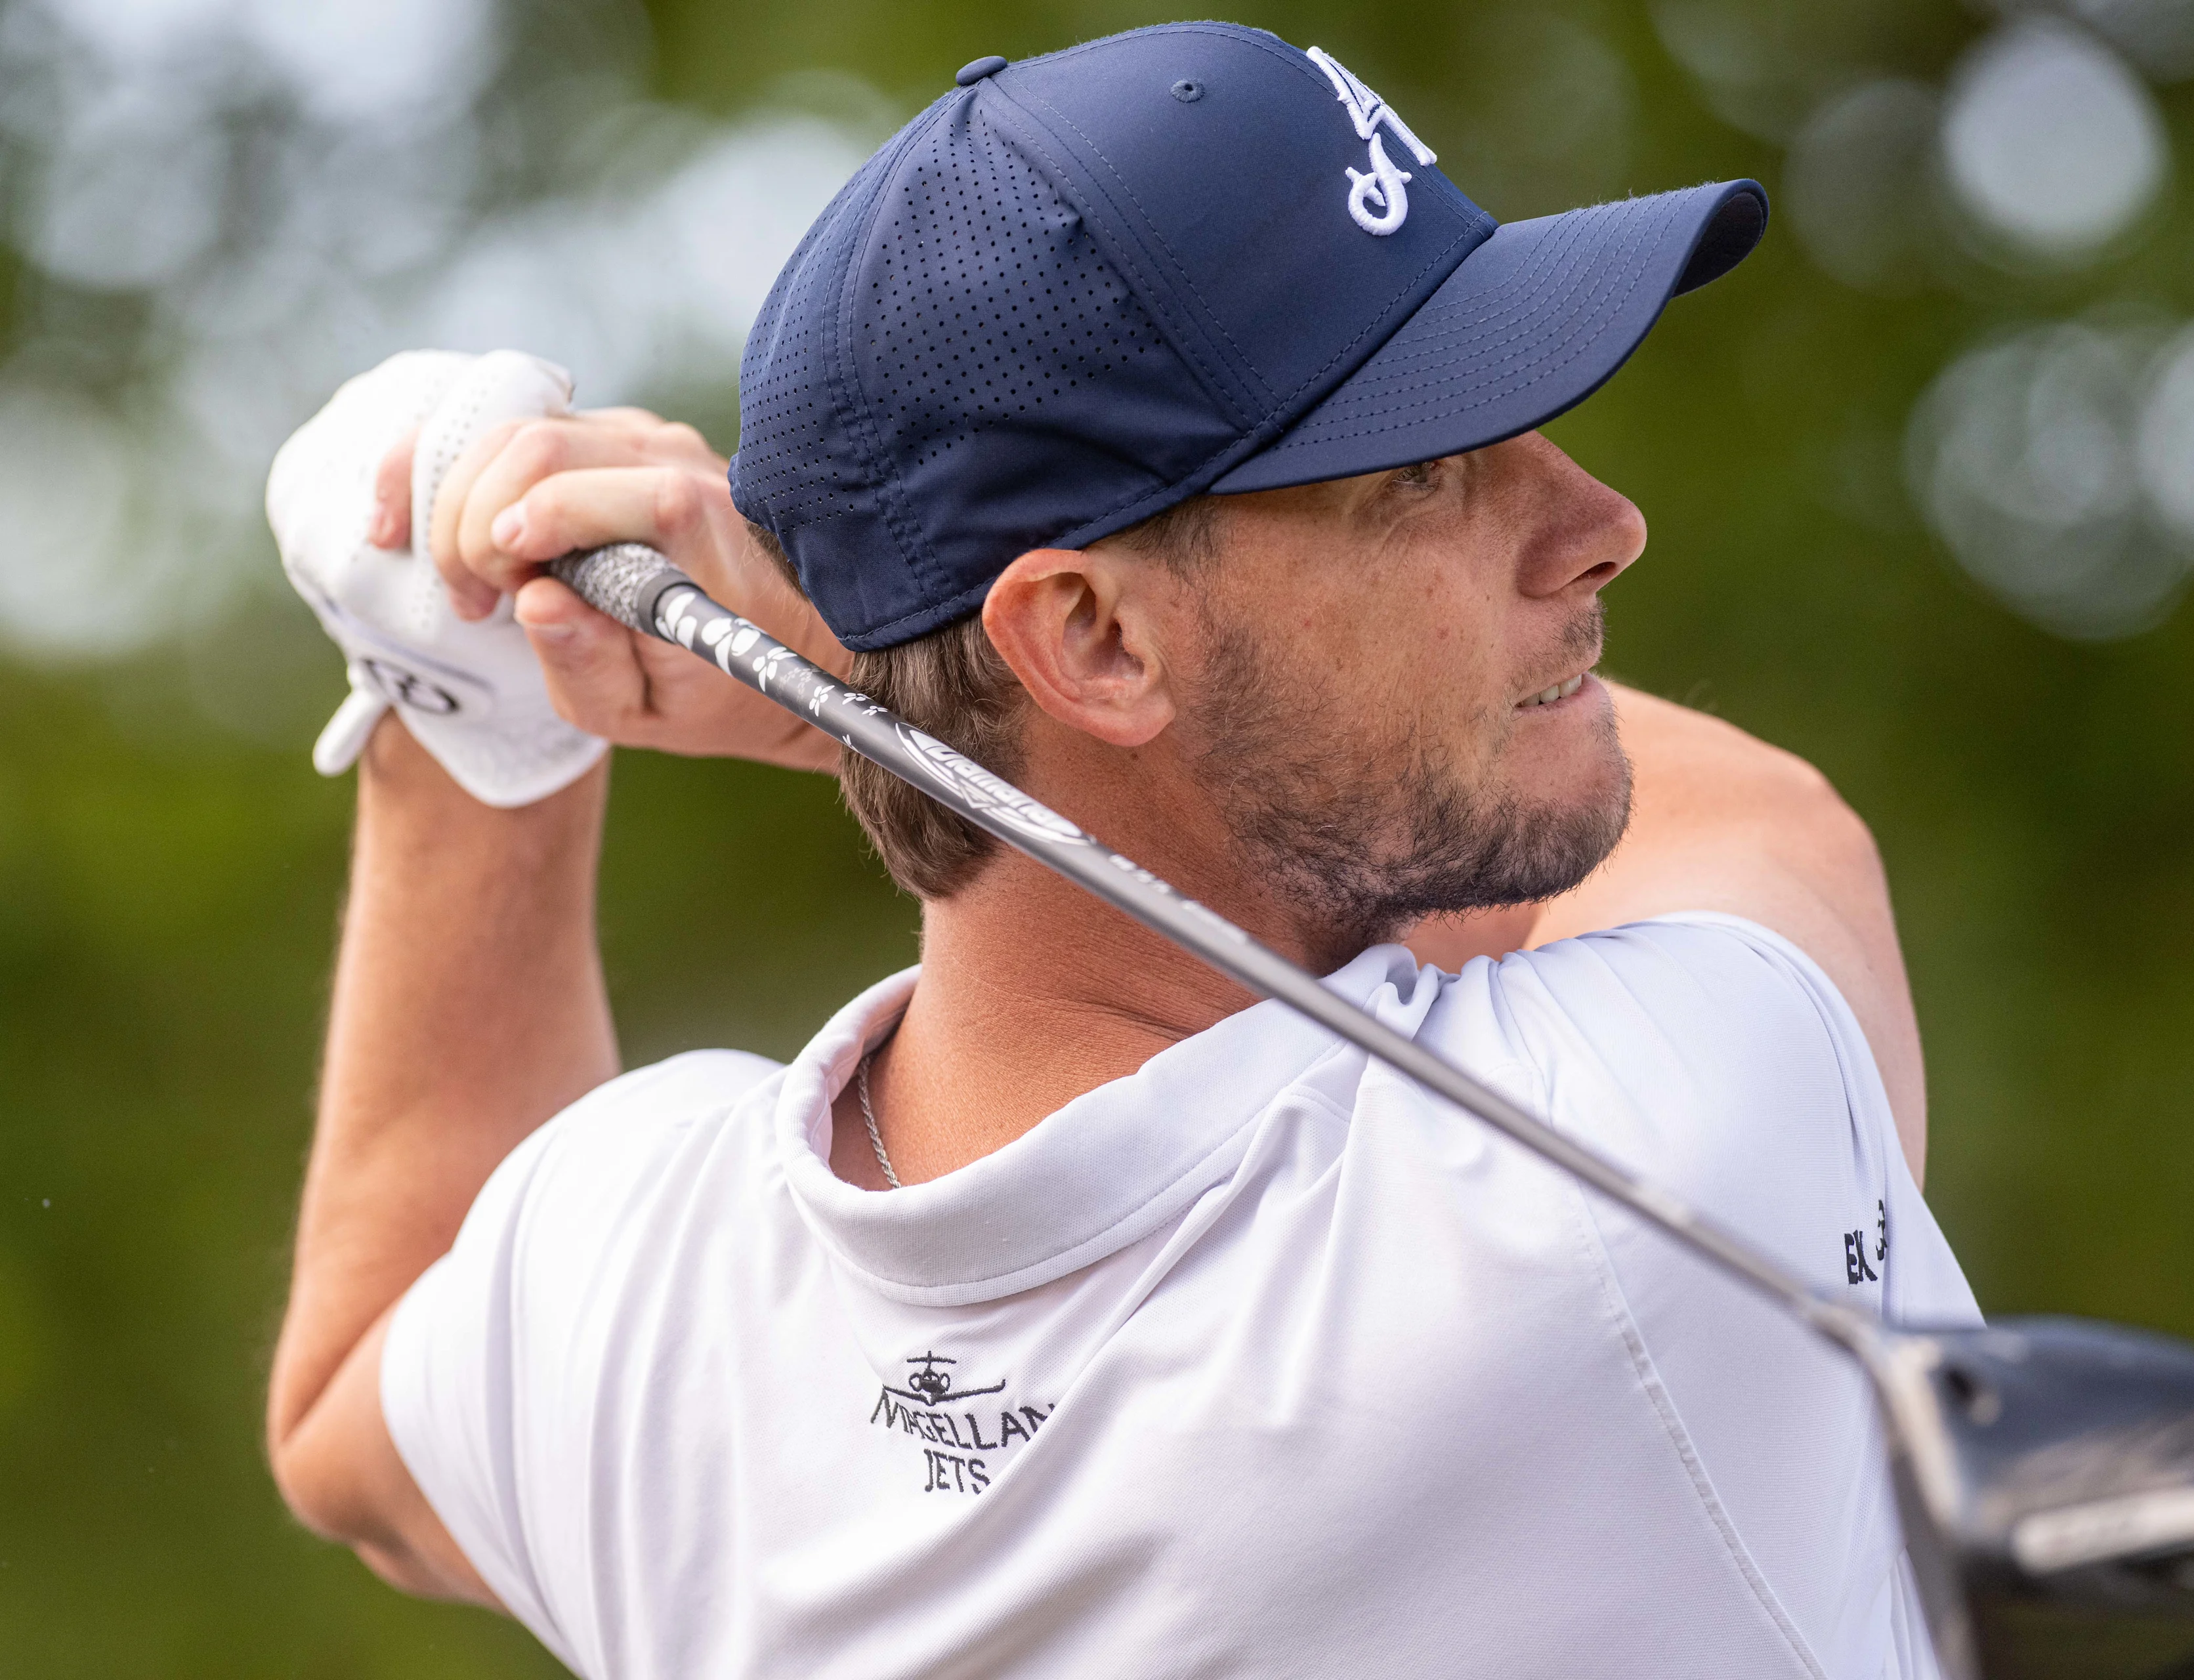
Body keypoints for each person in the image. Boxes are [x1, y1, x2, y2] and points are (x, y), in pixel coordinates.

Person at [263, 24, 1977, 1679]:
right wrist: (838, 667)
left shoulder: (631, 1310)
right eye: (1431, 473)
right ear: (1090, 641)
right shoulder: (1632, 1176)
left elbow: (357, 1401)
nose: (1599, 528)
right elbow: (1767, 825)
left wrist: (468, 701)